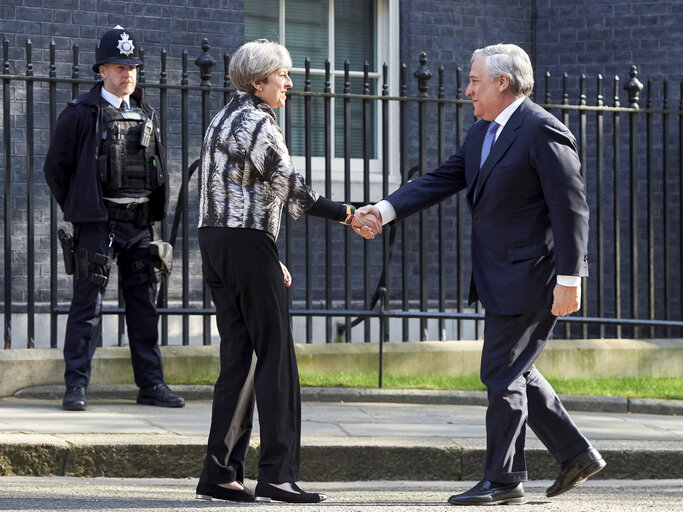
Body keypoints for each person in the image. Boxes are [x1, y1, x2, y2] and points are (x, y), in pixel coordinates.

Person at [359, 43, 605, 505]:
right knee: (516, 369)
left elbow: (571, 211)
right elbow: (441, 178)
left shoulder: (543, 131)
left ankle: (505, 479)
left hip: (534, 277)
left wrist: (570, 279)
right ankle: (575, 453)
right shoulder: (482, 133)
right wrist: (385, 209)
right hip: (499, 276)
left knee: (501, 374)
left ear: (502, 83)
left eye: (474, 81)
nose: (467, 89)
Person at [194, 39, 380, 504]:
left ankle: (219, 473)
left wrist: (265, 251)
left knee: (239, 357)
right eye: (283, 75)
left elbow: (229, 189)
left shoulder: (221, 118)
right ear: (259, 81)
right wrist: (349, 214)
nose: (289, 83)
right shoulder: (260, 123)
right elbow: (293, 190)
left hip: (216, 242)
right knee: (276, 357)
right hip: (247, 244)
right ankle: (277, 474)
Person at [44, 26, 184, 411]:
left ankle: (151, 385)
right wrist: (82, 210)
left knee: (144, 308)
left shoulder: (146, 113)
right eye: (120, 67)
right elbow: (56, 169)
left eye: (133, 67)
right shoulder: (80, 113)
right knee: (87, 307)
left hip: (139, 225)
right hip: (99, 224)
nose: (128, 74)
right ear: (102, 70)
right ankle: (76, 387)